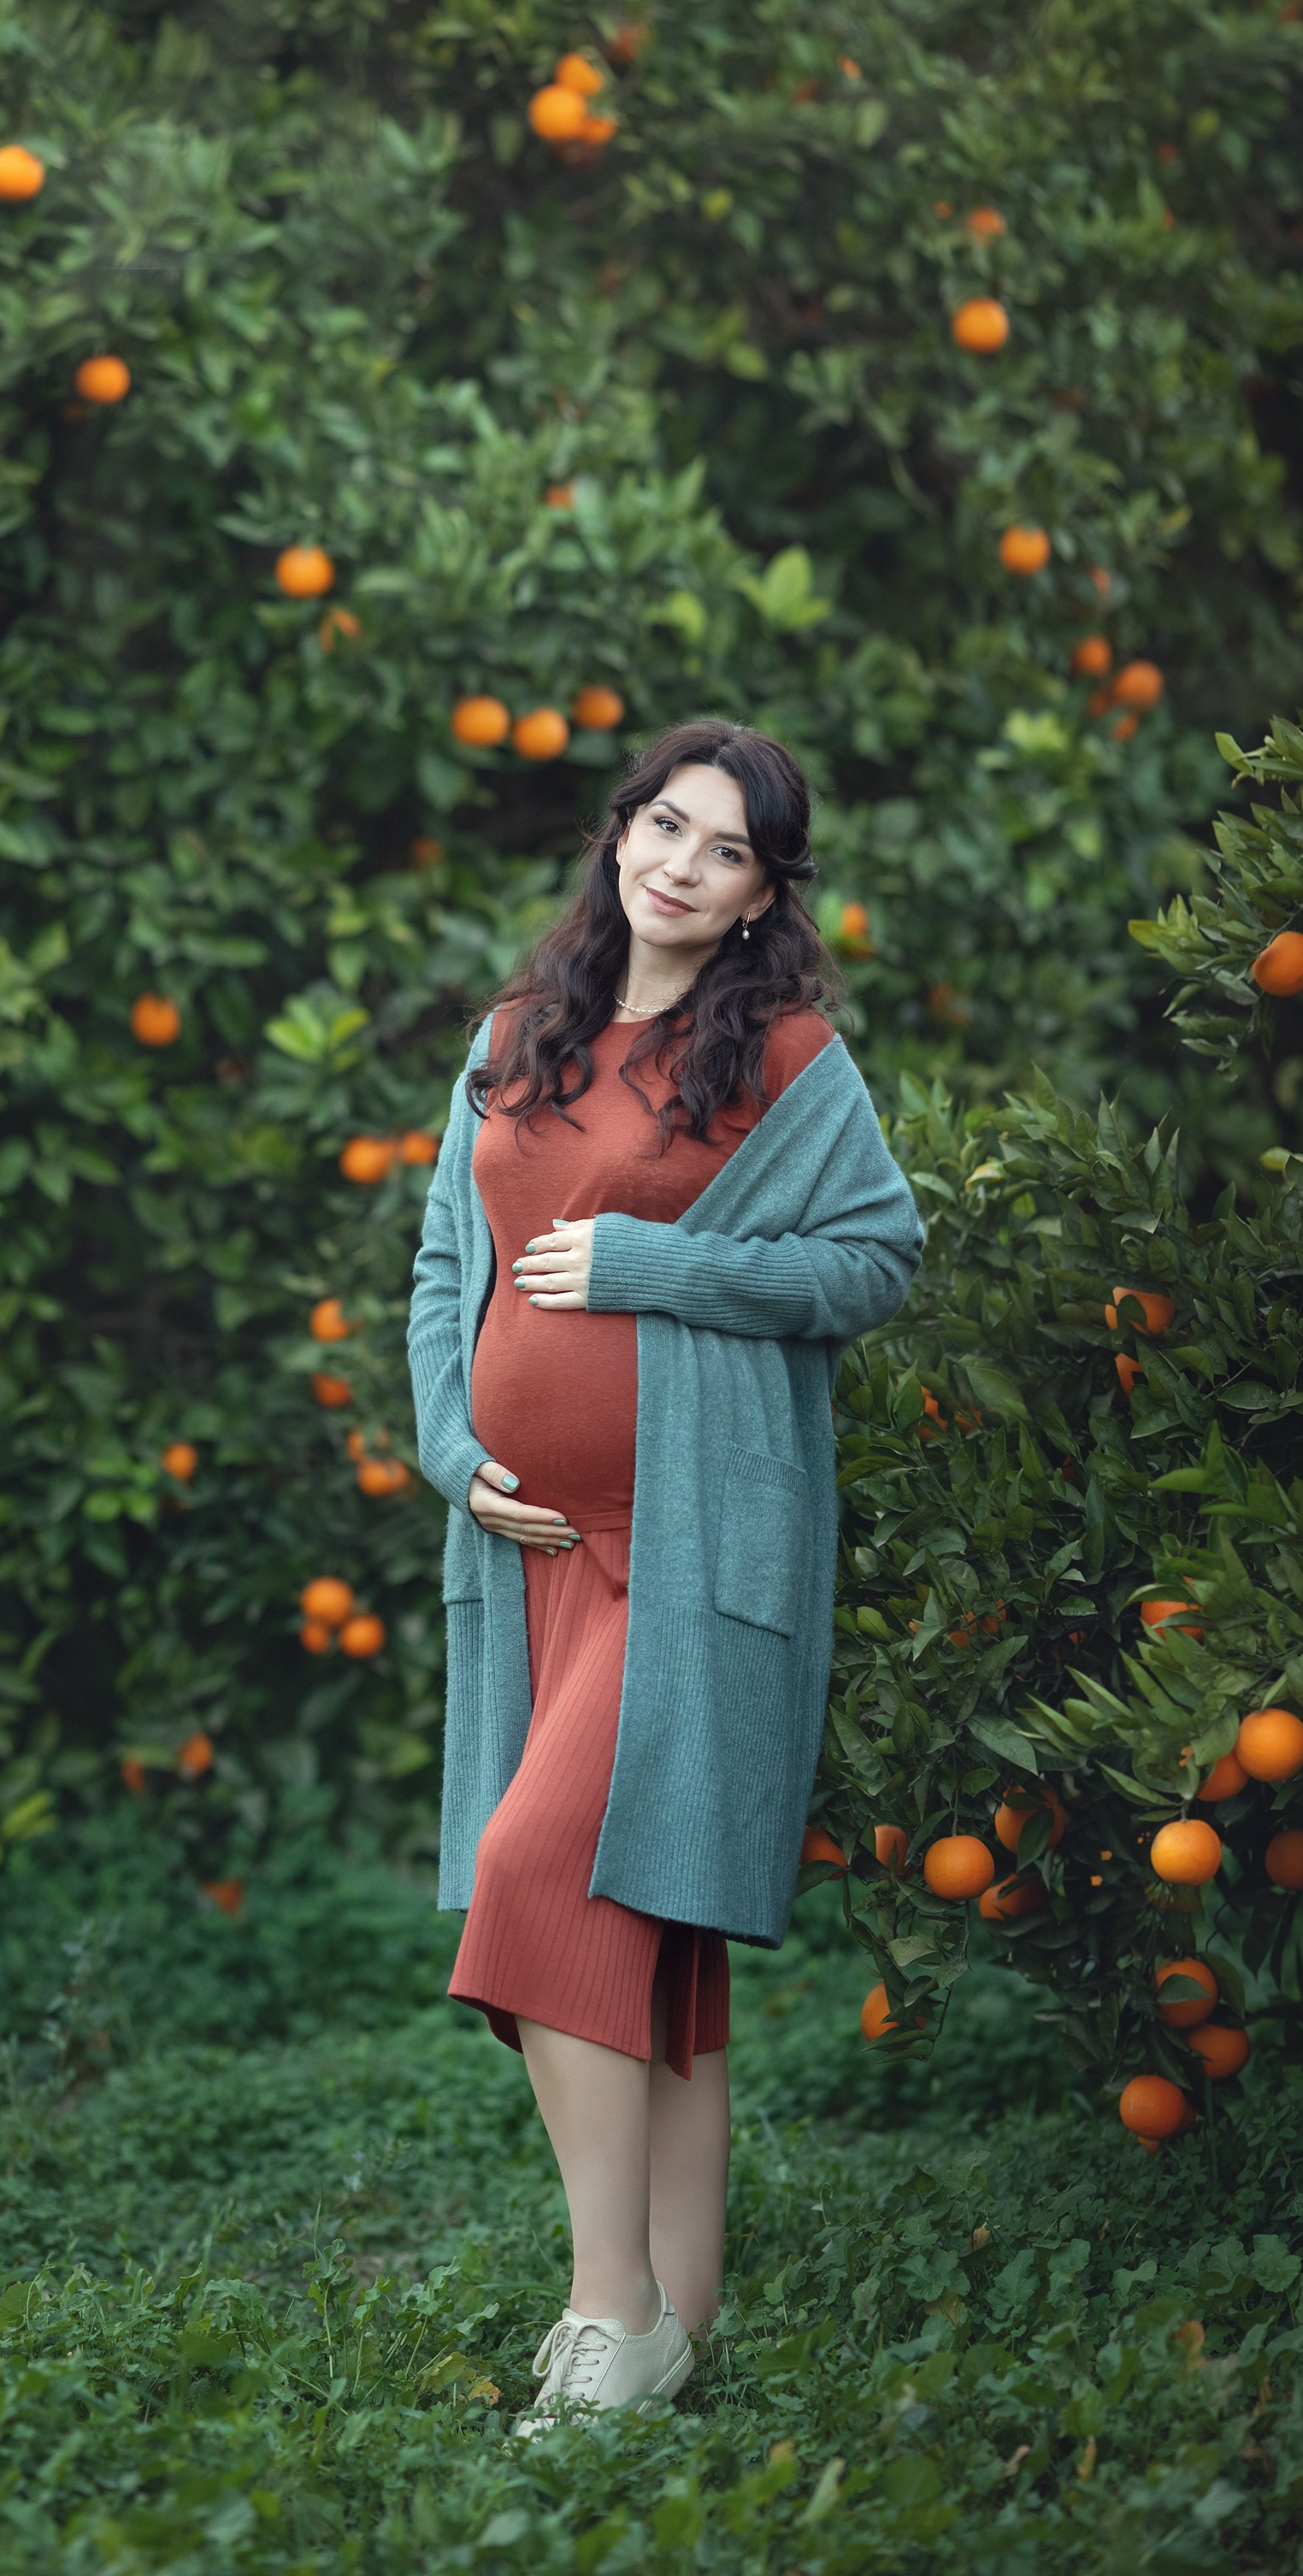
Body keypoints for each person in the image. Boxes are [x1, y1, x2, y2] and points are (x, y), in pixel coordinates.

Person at [405, 717, 922, 2433]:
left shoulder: (780, 1060)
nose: (677, 865)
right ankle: (682, 2324)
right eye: (662, 825)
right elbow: (438, 1275)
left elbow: (870, 1259)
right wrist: (447, 1450)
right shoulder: (507, 1043)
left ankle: (607, 2316)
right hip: (530, 1561)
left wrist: (657, 1265)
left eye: (723, 850)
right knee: (644, 1935)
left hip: (687, 1553)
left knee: (530, 1870)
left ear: (763, 890)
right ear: (618, 831)